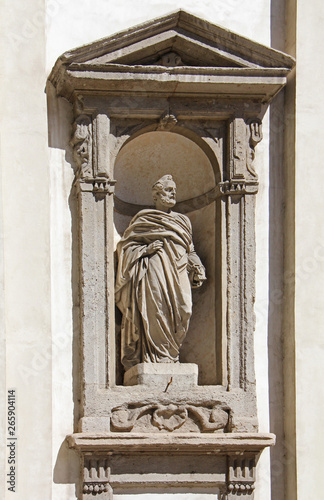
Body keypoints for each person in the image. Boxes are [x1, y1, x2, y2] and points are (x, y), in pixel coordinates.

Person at [115, 174, 206, 370]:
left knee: (185, 309)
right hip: (154, 268)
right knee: (156, 310)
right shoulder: (144, 218)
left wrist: (197, 265)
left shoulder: (183, 221)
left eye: (174, 190)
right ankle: (155, 358)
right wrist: (145, 251)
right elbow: (126, 247)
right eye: (168, 190)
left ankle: (172, 354)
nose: (173, 193)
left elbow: (190, 250)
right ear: (156, 195)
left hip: (179, 268)